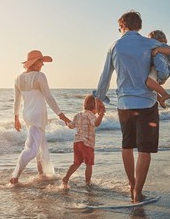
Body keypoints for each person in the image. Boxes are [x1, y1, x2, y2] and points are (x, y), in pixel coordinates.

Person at [94, 10, 169, 203]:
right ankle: (138, 192)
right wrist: (159, 80)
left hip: (124, 104)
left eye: (119, 27)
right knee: (144, 150)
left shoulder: (114, 46)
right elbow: (162, 70)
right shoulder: (152, 43)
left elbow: (105, 77)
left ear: (123, 25)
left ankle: (131, 184)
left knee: (127, 145)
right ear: (139, 26)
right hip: (146, 103)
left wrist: (99, 99)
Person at [10, 50, 70, 184]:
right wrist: (62, 116)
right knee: (31, 148)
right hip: (38, 115)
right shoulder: (39, 77)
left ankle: (41, 173)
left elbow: (17, 101)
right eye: (41, 61)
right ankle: (15, 176)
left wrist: (16, 118)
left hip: (28, 115)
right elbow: (48, 97)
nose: (42, 64)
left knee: (40, 144)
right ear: (34, 63)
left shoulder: (18, 79)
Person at [61, 95, 105, 189]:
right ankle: (88, 183)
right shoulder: (90, 115)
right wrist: (101, 114)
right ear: (95, 107)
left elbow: (71, 126)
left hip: (77, 143)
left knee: (76, 163)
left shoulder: (78, 115)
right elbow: (96, 123)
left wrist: (65, 120)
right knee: (89, 164)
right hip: (87, 143)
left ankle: (66, 178)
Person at [145, 30, 170, 108]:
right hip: (161, 71)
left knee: (149, 83)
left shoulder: (161, 46)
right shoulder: (158, 47)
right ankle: (160, 99)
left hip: (158, 70)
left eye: (150, 40)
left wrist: (158, 50)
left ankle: (164, 94)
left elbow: (169, 51)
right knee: (150, 87)